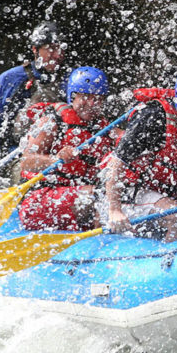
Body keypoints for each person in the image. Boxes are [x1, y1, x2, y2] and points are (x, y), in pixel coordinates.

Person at [104, 67, 177, 241]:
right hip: (132, 192)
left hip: (171, 192)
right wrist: (114, 210)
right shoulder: (154, 117)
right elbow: (117, 163)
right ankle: (169, 256)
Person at [18, 66, 112, 231]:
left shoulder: (103, 128)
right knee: (100, 195)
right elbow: (26, 162)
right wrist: (56, 160)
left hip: (76, 198)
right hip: (38, 202)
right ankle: (100, 239)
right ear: (73, 96)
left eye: (97, 99)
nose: (91, 104)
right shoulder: (52, 122)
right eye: (86, 96)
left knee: (115, 193)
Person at [0, 21, 66, 171]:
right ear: (35, 50)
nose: (58, 55)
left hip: (57, 156)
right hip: (16, 157)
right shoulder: (11, 79)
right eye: (51, 48)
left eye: (60, 49)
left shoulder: (71, 79)